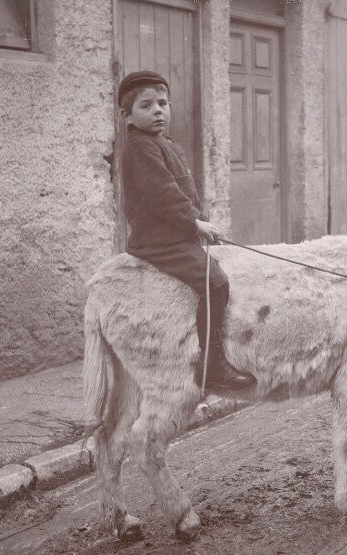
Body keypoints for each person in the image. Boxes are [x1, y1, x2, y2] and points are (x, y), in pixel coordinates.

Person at [117, 70, 255, 391]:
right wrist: (194, 222)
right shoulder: (140, 148)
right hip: (159, 242)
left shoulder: (163, 144)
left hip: (177, 235)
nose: (157, 111)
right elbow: (164, 194)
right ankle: (213, 366)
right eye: (146, 106)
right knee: (215, 282)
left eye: (163, 103)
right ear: (127, 116)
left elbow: (184, 192)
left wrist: (198, 220)